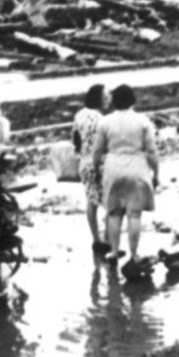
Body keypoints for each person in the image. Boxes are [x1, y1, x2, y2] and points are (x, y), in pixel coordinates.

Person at [92, 85, 160, 278]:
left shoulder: (105, 122)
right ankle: (133, 254)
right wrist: (156, 172)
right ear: (132, 100)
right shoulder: (143, 121)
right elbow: (152, 151)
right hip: (137, 166)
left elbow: (97, 151)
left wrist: (97, 169)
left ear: (114, 101)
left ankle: (113, 252)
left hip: (113, 167)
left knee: (113, 213)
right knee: (134, 214)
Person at [73, 84, 109, 256]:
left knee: (91, 201)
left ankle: (96, 240)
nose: (108, 98)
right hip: (100, 164)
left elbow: (75, 138)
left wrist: (81, 155)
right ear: (99, 99)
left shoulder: (79, 115)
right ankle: (109, 241)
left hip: (84, 164)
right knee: (111, 202)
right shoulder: (101, 119)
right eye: (106, 95)